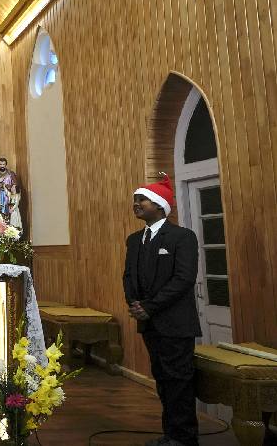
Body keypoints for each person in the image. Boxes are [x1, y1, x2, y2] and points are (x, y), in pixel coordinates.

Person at [122, 174, 200, 446]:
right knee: (163, 380)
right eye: (135, 199)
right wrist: (134, 304)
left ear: (159, 205)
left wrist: (150, 307)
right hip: (149, 323)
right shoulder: (134, 240)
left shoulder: (182, 237)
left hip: (175, 323)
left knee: (179, 381)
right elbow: (129, 276)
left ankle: (185, 438)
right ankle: (171, 435)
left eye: (142, 199)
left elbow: (183, 279)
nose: (136, 204)